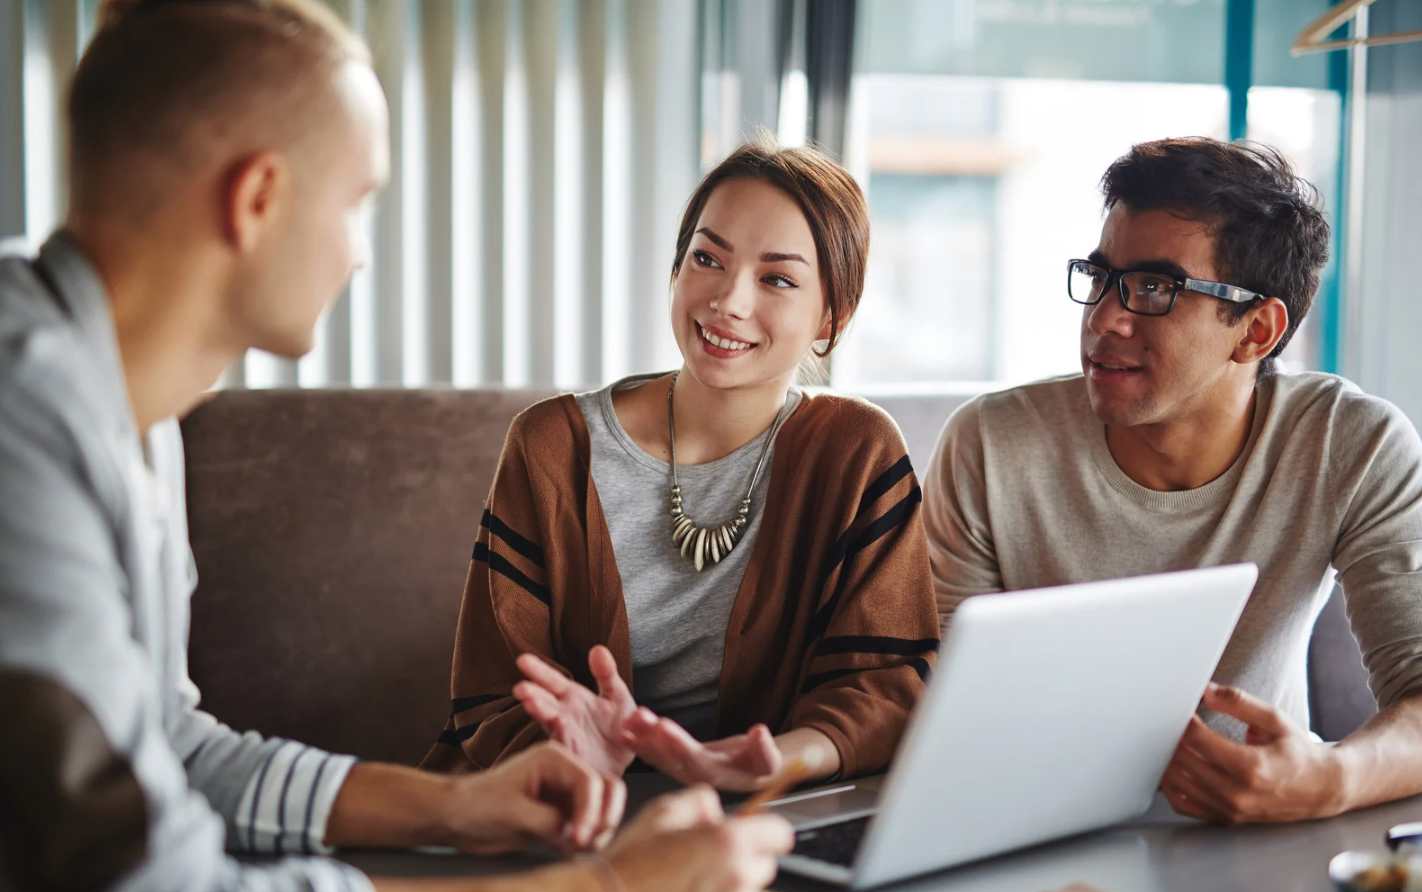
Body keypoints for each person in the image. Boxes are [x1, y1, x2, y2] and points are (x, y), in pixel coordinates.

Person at [0, 2, 790, 892]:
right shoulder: (25, 421)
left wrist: (452, 806)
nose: (361, 254)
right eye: (356, 201)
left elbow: (164, 751)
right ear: (256, 199)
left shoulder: (123, 400)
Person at [922, 136, 1422, 825]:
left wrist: (1329, 779)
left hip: (1257, 841)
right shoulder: (990, 444)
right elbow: (943, 704)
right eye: (1099, 278)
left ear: (1256, 331)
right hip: (1024, 832)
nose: (1103, 318)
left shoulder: (1351, 443)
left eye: (1156, 289)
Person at [422, 140, 940, 792]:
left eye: (777, 279)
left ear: (831, 316)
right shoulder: (553, 445)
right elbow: (494, 690)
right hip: (555, 810)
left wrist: (772, 762)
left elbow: (887, 688)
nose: (729, 300)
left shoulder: (856, 451)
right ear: (675, 269)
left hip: (762, 816)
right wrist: (584, 762)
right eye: (707, 258)